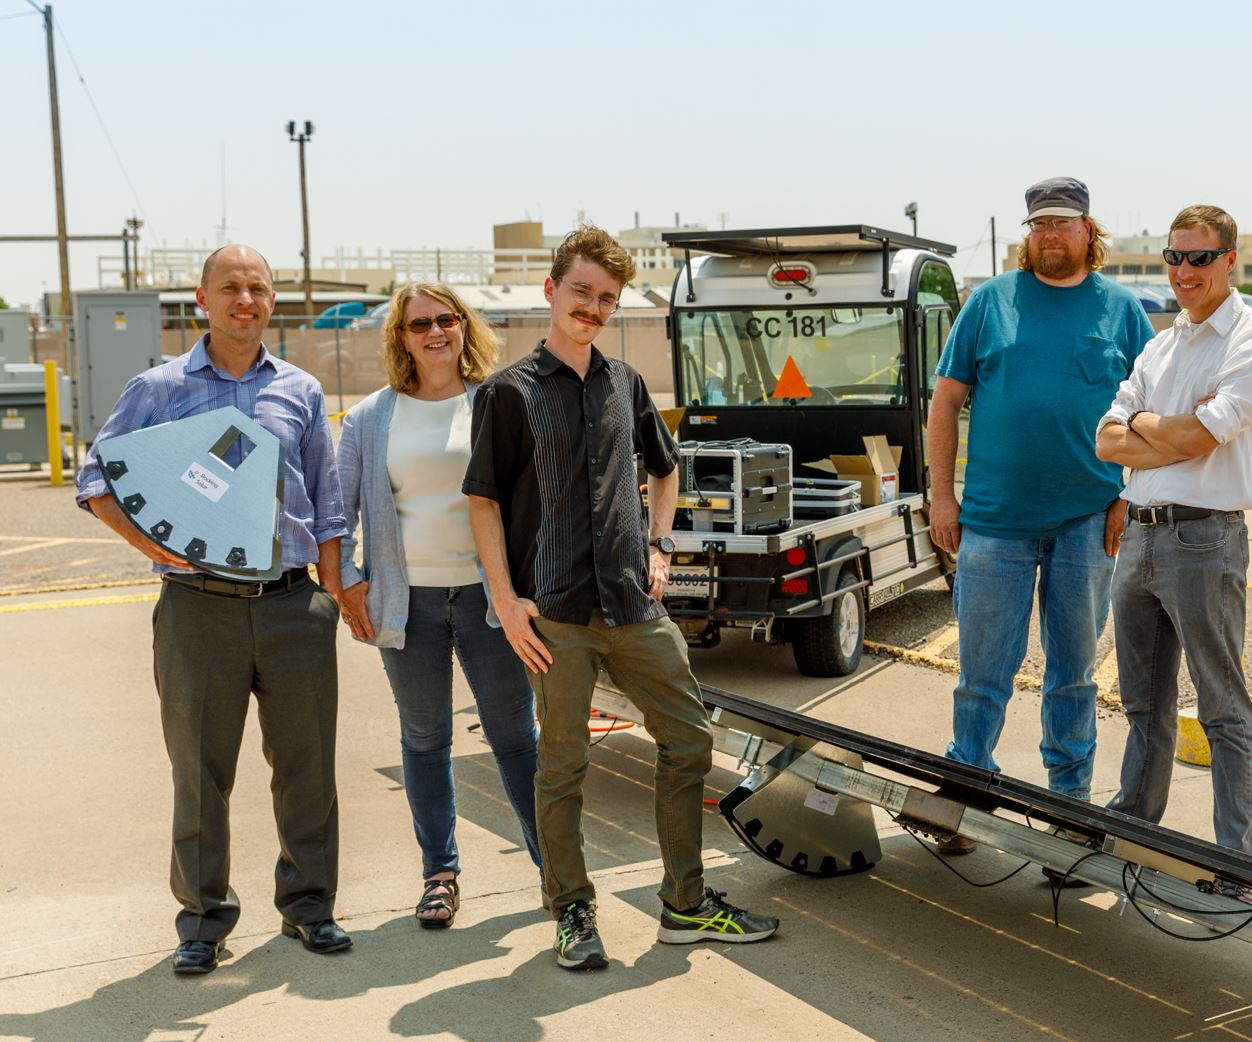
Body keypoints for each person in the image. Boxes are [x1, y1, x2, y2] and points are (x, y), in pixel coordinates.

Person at [463, 226, 779, 970]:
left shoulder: (625, 384)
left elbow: (666, 471)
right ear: (551, 290)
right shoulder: (507, 395)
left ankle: (686, 905)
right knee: (563, 765)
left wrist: (661, 546)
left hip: (635, 607)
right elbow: (480, 502)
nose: (593, 308)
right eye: (582, 292)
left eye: (606, 298)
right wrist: (506, 602)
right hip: (555, 614)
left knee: (691, 739)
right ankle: (572, 911)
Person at [76, 245, 351, 974]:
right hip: (197, 609)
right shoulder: (158, 388)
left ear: (272, 301)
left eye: (258, 288)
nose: (245, 299)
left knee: (307, 765)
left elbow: (326, 507)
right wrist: (160, 548)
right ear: (200, 297)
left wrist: (329, 597)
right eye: (230, 286)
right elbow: (98, 477)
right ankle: (203, 919)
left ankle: (310, 907)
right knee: (200, 770)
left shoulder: (300, 390)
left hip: (294, 603)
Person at [927, 177, 1154, 852]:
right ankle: (966, 788)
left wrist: (1127, 494)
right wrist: (943, 496)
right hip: (994, 521)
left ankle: (1069, 804)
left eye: (1064, 222)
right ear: (1029, 236)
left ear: (1090, 230)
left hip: (1087, 518)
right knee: (981, 672)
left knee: (1074, 673)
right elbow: (944, 404)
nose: (1051, 234)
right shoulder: (989, 303)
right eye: (1040, 224)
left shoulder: (1122, 310)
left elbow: (1149, 413)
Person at [336, 281, 541, 928]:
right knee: (425, 739)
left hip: (492, 600)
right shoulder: (371, 417)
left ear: (463, 326)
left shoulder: (498, 402)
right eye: (418, 322)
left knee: (515, 737)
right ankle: (440, 875)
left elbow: (532, 503)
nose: (434, 331)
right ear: (401, 336)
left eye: (445, 319)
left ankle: (557, 868)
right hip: (409, 604)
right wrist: (350, 582)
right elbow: (338, 512)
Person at [1096, 205, 1252, 860]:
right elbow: (1105, 440)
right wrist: (1169, 432)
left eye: (1200, 257)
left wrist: (1152, 427)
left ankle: (1234, 860)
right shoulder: (1161, 344)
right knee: (1143, 707)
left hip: (1204, 540)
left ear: (1230, 261)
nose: (1184, 270)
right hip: (1140, 537)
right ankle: (1133, 832)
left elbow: (1198, 436)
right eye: (1174, 258)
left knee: (1222, 707)